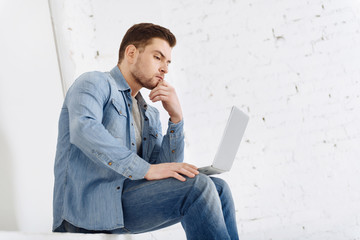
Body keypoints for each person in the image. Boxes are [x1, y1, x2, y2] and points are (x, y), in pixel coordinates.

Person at [53, 23, 239, 239]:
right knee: (198, 187)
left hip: (128, 201)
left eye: (168, 62)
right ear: (131, 53)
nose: (165, 68)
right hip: (88, 209)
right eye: (158, 57)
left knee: (219, 188)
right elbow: (83, 129)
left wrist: (176, 119)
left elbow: (166, 170)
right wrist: (145, 169)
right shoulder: (94, 83)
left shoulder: (148, 113)